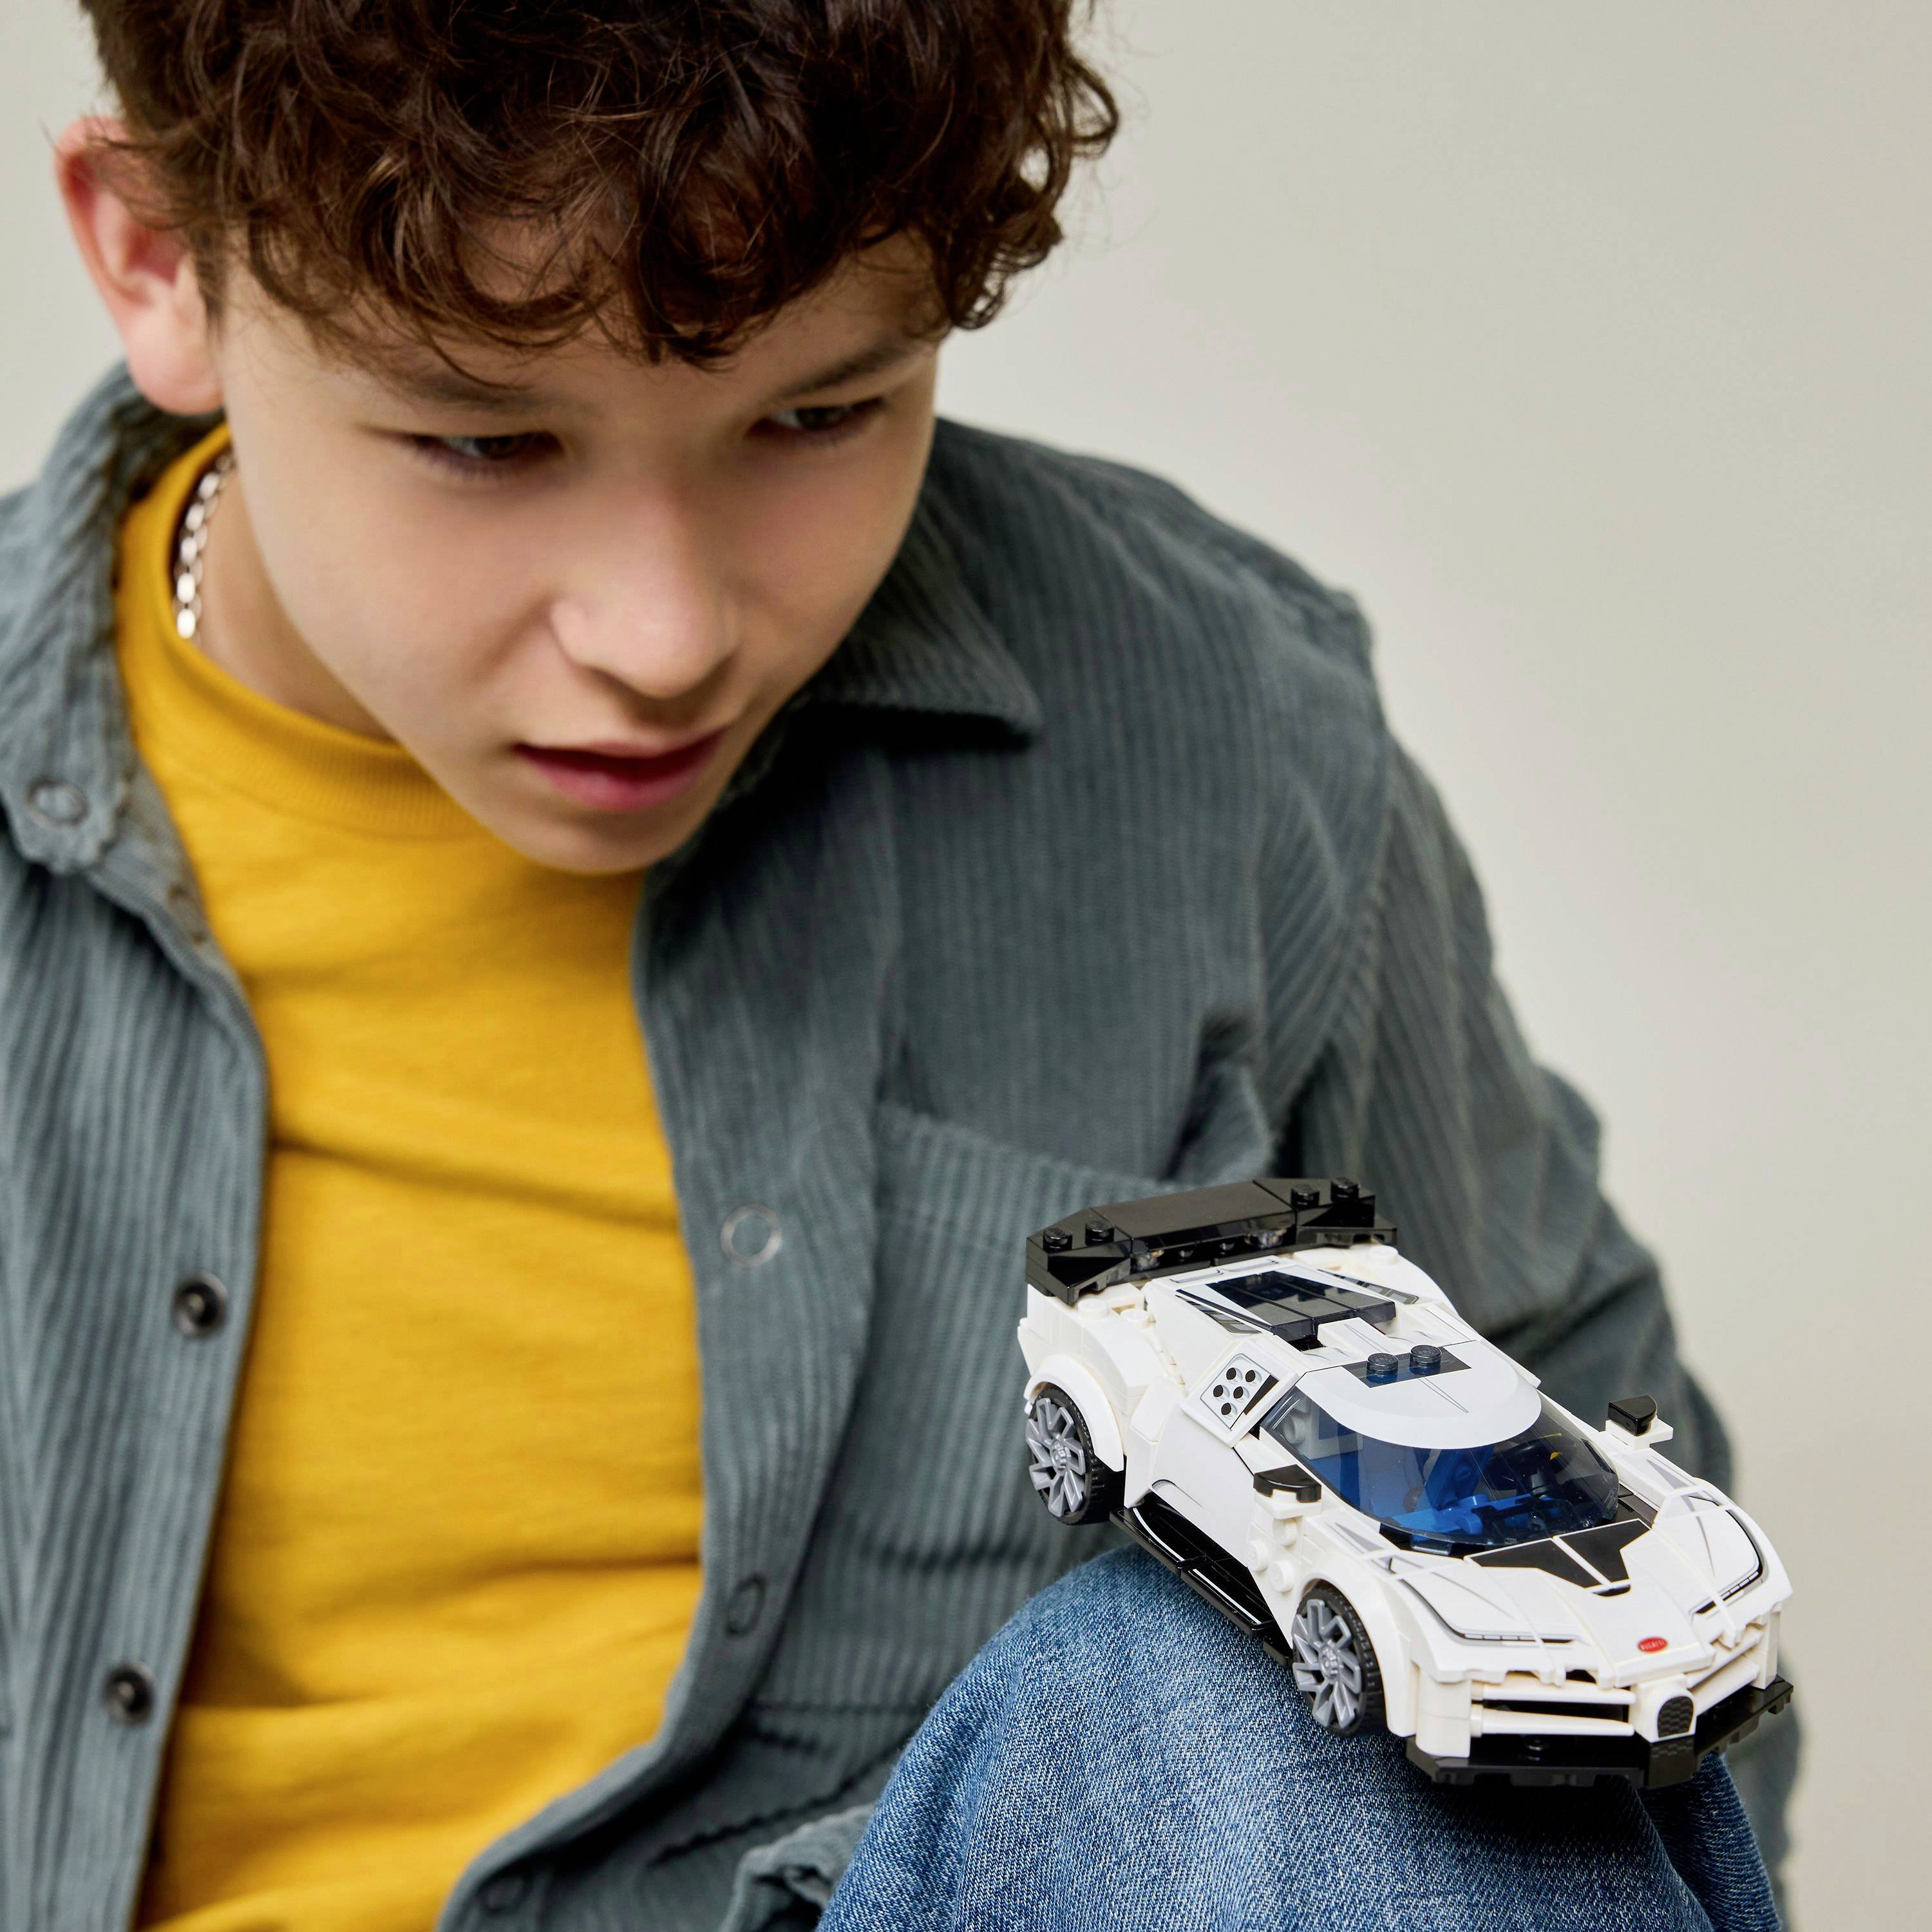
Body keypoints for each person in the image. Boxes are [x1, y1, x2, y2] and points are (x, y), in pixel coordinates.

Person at [0, 3, 1794, 1928]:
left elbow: (1609, 1605)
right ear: (161, 258)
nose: (665, 632)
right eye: (486, 441)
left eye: (817, 417)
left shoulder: (1221, 737)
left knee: (1301, 1704)